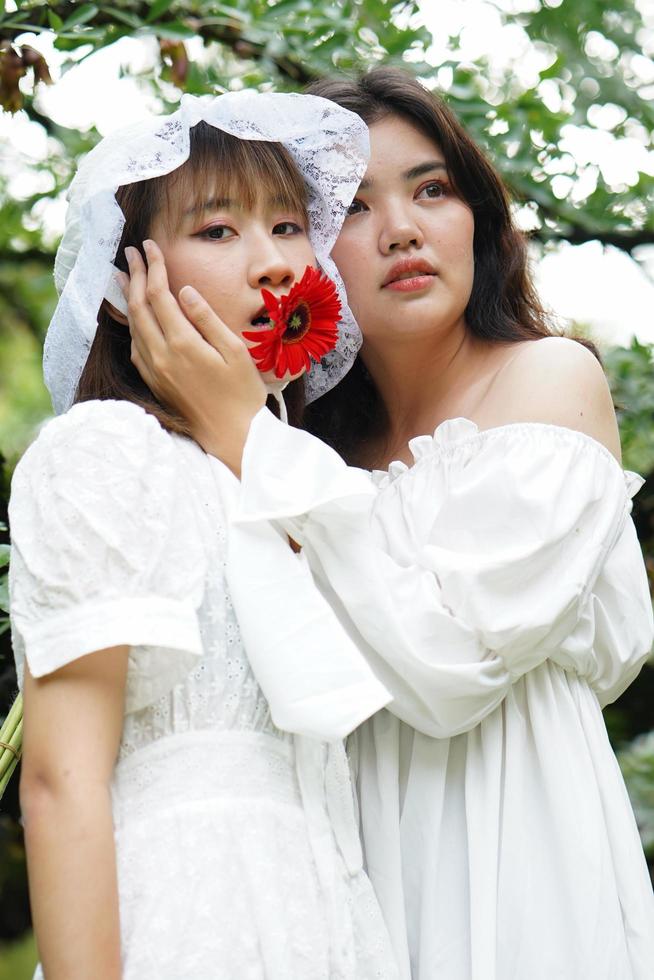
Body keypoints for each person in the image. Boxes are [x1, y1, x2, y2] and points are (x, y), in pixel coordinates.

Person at [122, 68, 654, 980]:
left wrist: (242, 433)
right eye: (354, 208)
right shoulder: (298, 446)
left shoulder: (548, 380)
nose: (402, 228)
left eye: (432, 189)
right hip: (337, 863)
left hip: (513, 845)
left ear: (479, 218)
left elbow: (448, 663)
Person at [8, 91, 402, 980]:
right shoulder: (108, 456)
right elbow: (59, 780)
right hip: (185, 923)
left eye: (290, 226)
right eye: (218, 231)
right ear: (124, 283)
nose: (271, 264)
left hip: (332, 925)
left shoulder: (307, 481)